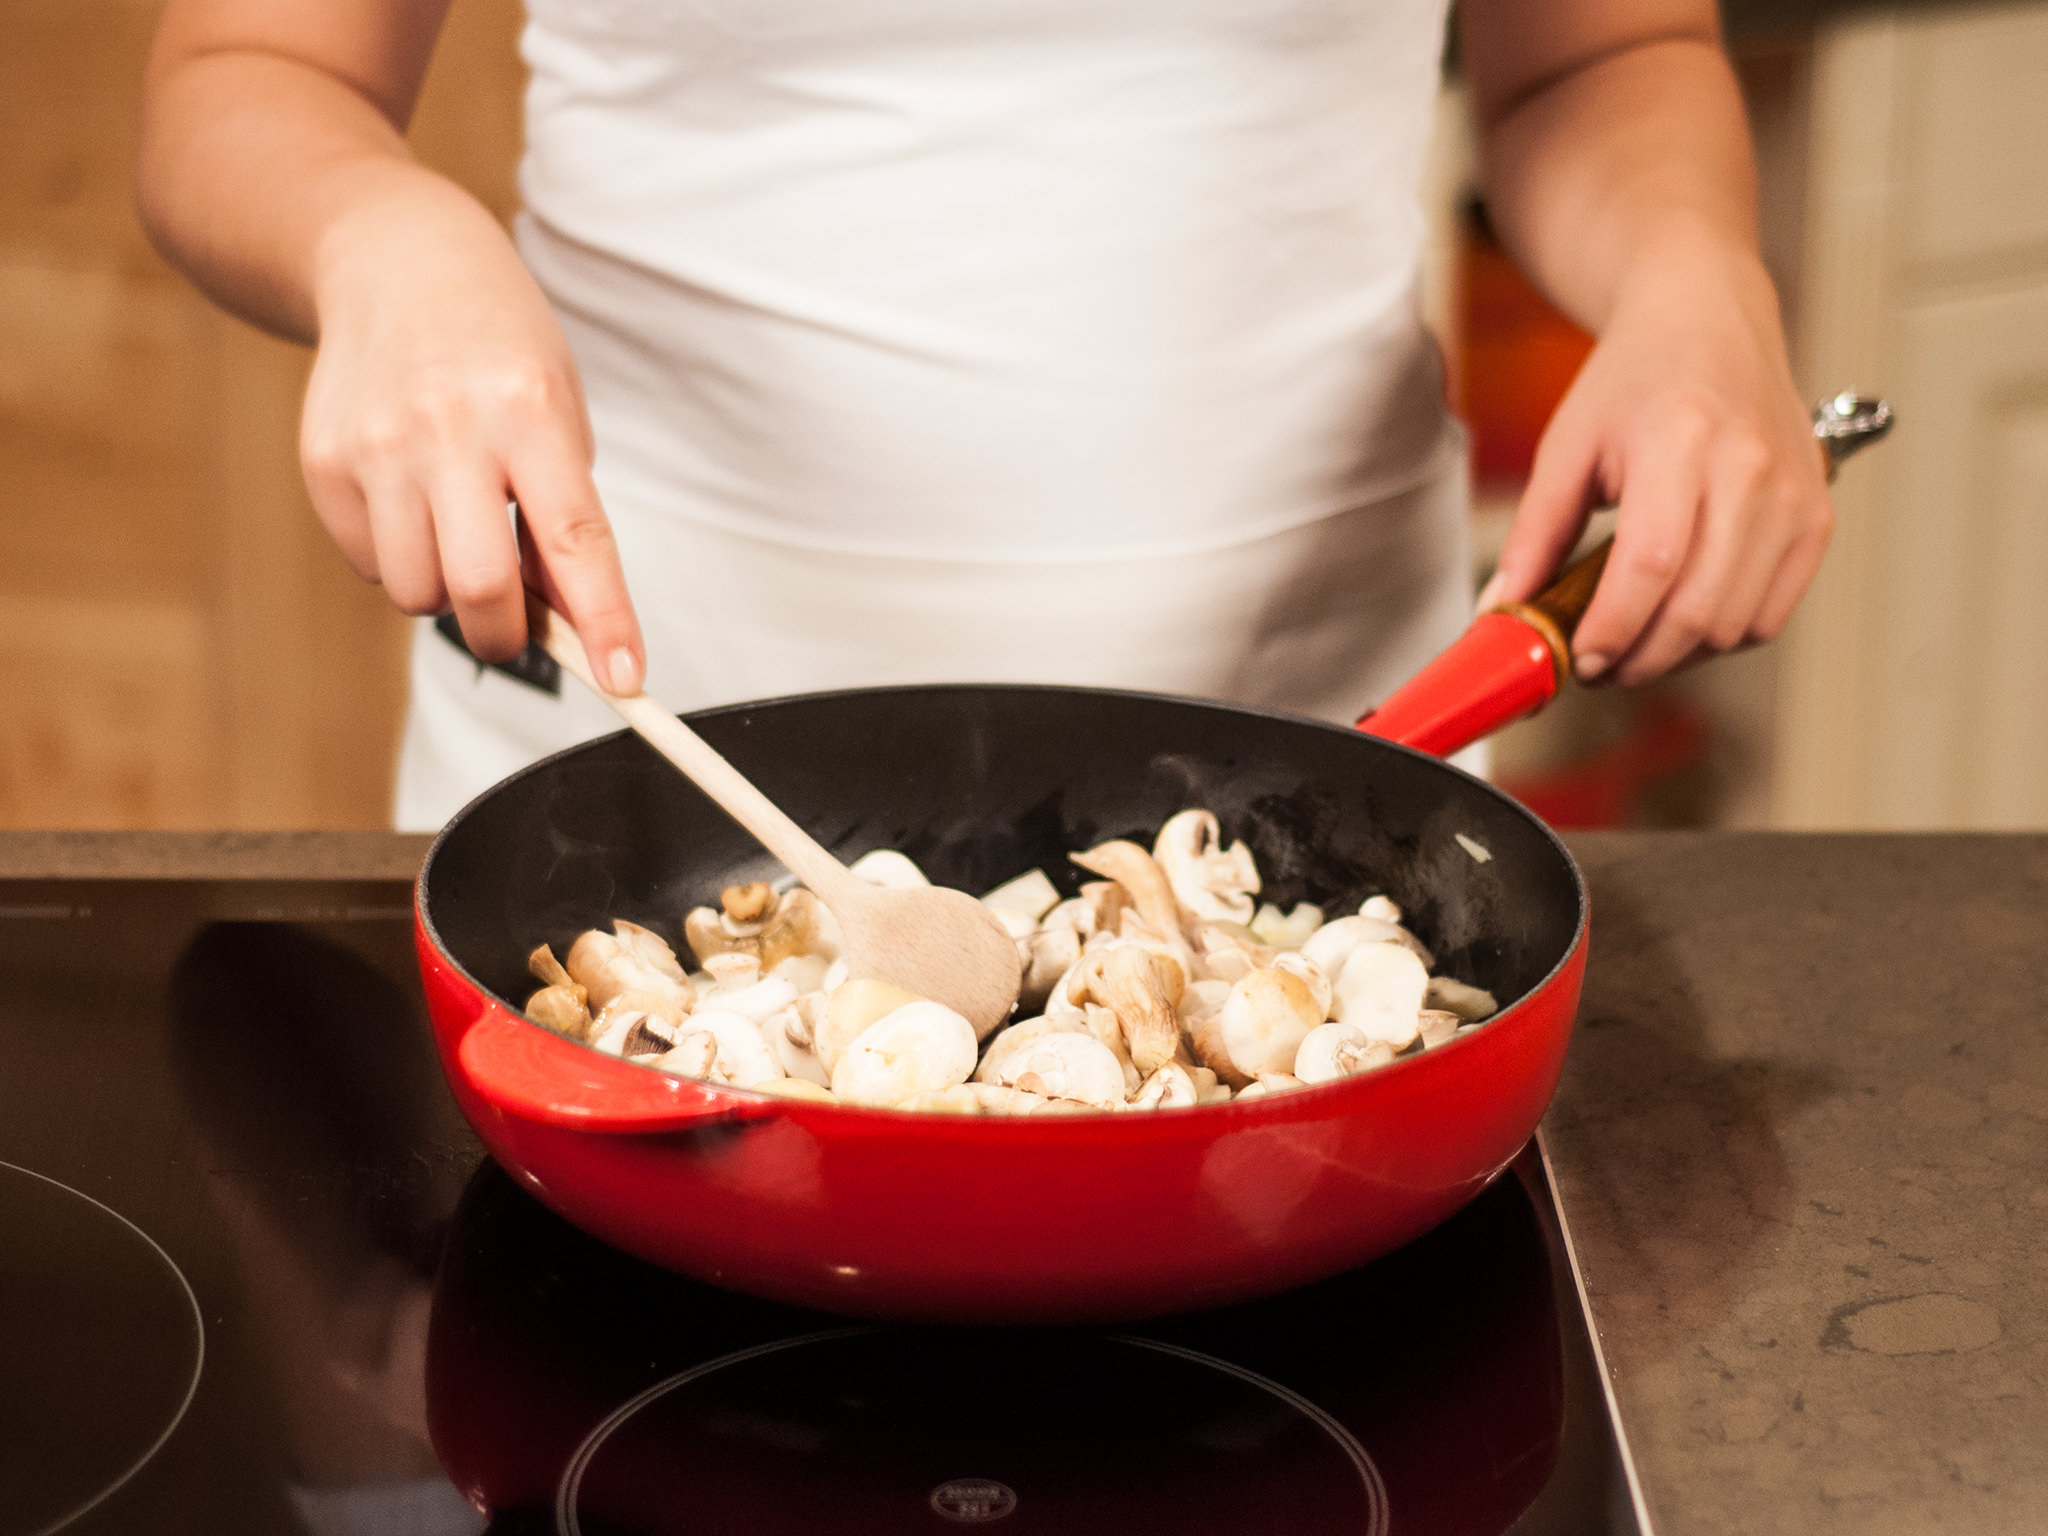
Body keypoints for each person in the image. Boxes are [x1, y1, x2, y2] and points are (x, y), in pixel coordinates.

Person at [137, 0, 1830, 830]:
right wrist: (385, 236)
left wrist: (1698, 278)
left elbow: (1596, 53)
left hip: (1313, 780)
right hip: (630, 815)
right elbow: (245, 75)